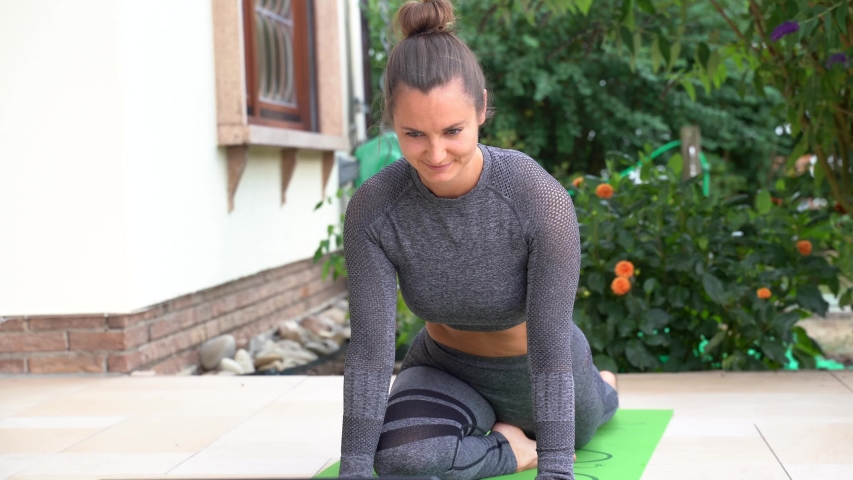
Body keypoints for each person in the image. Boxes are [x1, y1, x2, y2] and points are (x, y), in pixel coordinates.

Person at [338, 1, 618, 479]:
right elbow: (370, 350)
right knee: (399, 459)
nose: (435, 153)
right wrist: (355, 469)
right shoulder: (374, 207)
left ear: (482, 108)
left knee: (590, 418)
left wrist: (555, 469)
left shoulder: (537, 197)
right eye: (413, 134)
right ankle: (508, 443)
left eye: (453, 131)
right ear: (392, 121)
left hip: (539, 372)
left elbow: (549, 345)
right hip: (444, 369)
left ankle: (604, 384)